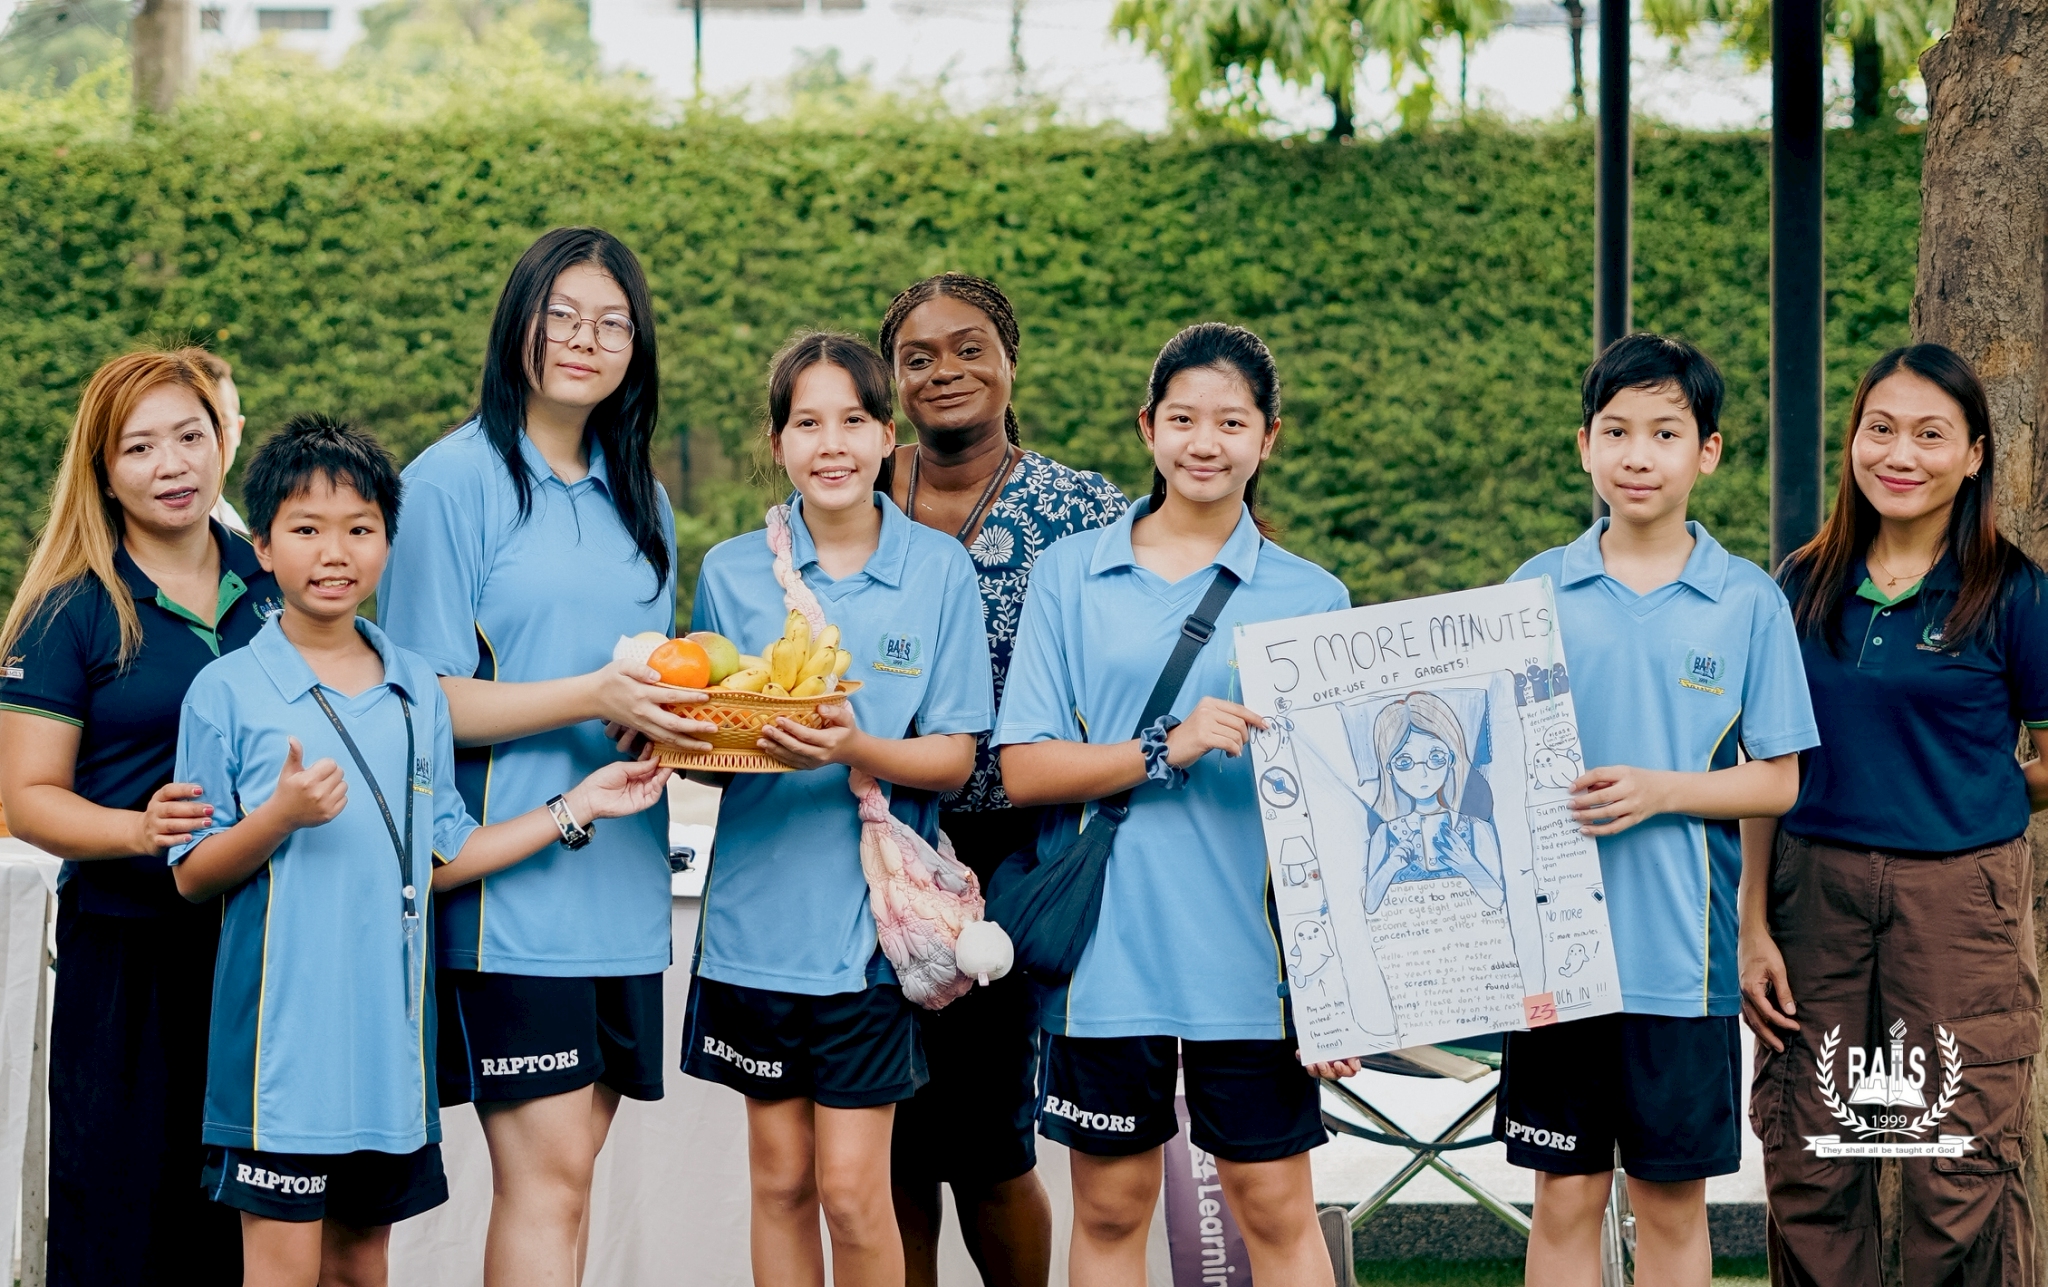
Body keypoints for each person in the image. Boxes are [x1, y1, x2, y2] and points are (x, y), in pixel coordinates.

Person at [169, 414, 672, 1287]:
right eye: (306, 529)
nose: (335, 553)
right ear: (263, 546)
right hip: (277, 1059)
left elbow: (441, 856)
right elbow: (191, 874)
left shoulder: (416, 690)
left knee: (363, 1264)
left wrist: (576, 806)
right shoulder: (224, 691)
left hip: (388, 1052)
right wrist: (278, 816)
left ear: (389, 542)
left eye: (360, 529)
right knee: (280, 1270)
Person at [375, 227, 713, 1285]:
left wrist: (657, 718)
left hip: (623, 886)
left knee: (572, 1182)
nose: (584, 339)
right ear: (516, 324)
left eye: (612, 323)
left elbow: (641, 672)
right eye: (561, 315)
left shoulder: (642, 495)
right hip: (510, 894)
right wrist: (592, 694)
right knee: (549, 1182)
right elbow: (417, 699)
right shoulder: (449, 482)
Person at [996, 322, 1362, 1286]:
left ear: (1268, 438)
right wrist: (1167, 745)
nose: (1207, 442)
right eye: (1185, 419)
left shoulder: (1315, 598)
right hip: (1105, 952)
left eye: (1232, 423)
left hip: (1249, 959)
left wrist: (1339, 993)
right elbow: (1025, 768)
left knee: (1276, 1208)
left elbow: (1340, 821)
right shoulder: (1070, 574)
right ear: (1148, 428)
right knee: (1112, 1209)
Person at [1497, 333, 1818, 1287]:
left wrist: (1662, 790)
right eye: (1617, 431)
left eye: (1666, 433)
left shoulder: (1748, 601)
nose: (1639, 455)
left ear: (1707, 452)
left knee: (1671, 1205)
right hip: (1558, 961)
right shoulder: (1529, 591)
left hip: (1685, 962)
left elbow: (1779, 780)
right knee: (1563, 1197)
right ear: (1584, 446)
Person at [681, 331, 993, 1287]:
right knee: (778, 1183)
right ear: (778, 442)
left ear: (888, 435)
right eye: (807, 423)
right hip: (751, 927)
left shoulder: (938, 570)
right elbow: (710, 749)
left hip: (870, 936)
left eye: (853, 420)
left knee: (854, 1194)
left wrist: (855, 746)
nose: (832, 444)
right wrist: (688, 739)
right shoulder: (732, 571)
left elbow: (954, 758)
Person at [1742, 344, 2048, 1286]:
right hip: (1813, 894)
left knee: (1957, 1166)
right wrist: (1752, 925)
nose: (1900, 454)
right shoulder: (1800, 584)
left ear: (1974, 453)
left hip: (1956, 905)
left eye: (1930, 434)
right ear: (1853, 440)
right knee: (1811, 1156)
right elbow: (1768, 766)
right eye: (1880, 429)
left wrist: (1974, 790)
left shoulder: (2014, 592)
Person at [876, 271, 1126, 1287]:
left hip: (1010, 857)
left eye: (969, 348)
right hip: (875, 841)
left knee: (987, 1139)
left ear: (1010, 361)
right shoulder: (853, 483)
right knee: (888, 1143)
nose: (945, 371)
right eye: (918, 357)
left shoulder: (1080, 508)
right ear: (892, 380)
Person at [0, 348, 269, 1286]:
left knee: (245, 1230)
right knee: (123, 1226)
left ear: (223, 441)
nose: (172, 465)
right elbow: (27, 797)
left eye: (190, 436)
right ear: (104, 471)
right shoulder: (70, 608)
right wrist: (135, 829)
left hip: (264, 946)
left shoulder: (274, 580)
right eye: (140, 447)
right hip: (129, 956)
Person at [196, 351, 250, 534]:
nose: (212, 441)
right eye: (192, 433)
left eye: (223, 425)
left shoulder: (236, 525)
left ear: (238, 429)